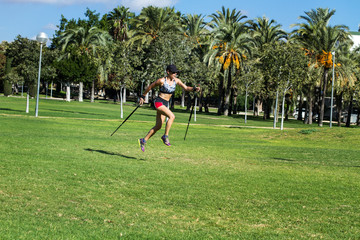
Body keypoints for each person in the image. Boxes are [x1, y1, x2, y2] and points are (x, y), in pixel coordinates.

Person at [138, 64, 200, 152]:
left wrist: (194, 89)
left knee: (158, 126)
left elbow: (186, 88)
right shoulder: (161, 81)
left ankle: (143, 140)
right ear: (168, 72)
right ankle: (165, 136)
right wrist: (143, 96)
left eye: (176, 73)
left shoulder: (176, 81)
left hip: (165, 104)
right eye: (173, 72)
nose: (175, 74)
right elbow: (150, 86)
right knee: (172, 116)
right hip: (159, 102)